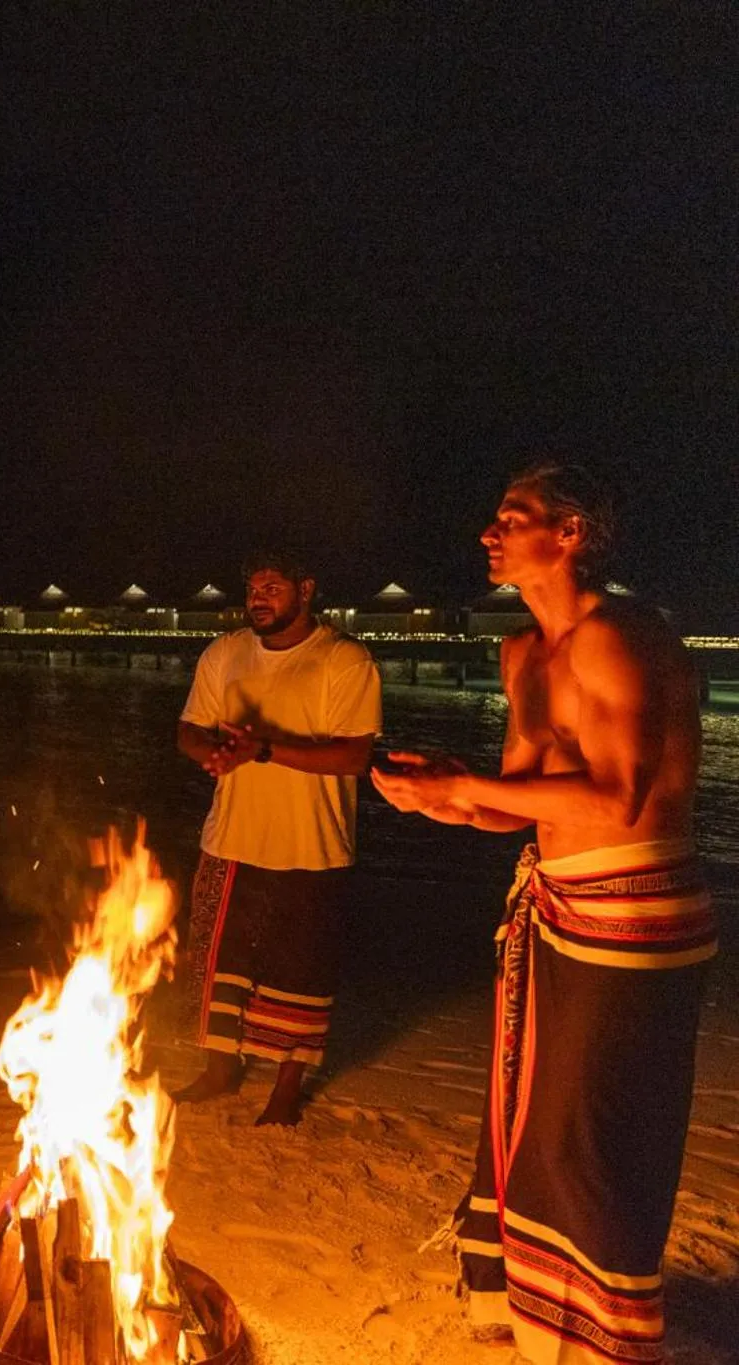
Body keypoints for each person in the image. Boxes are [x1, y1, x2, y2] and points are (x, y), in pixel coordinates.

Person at [375, 463, 712, 1363]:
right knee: (531, 1117)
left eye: (510, 518)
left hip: (637, 920)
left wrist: (466, 784)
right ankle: (531, 1315)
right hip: (557, 906)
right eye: (492, 517)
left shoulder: (621, 635)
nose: (489, 532)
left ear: (567, 534)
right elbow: (519, 800)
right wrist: (436, 797)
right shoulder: (520, 650)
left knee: (589, 1134)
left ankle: (604, 1338)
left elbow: (619, 796)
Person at [173, 549, 382, 1126]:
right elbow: (190, 728)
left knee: (302, 968)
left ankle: (288, 1088)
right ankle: (218, 1072)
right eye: (253, 589)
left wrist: (263, 749)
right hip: (230, 839)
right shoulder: (226, 652)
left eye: (272, 587)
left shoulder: (343, 659)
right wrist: (210, 753)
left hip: (311, 846)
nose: (258, 598)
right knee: (218, 961)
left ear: (306, 588)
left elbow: (354, 755)